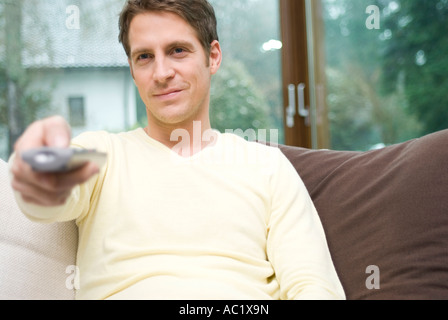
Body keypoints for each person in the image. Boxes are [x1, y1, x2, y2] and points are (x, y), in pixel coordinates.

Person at [9, 0, 345, 300]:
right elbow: (47, 193)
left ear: (212, 57)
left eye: (178, 51)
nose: (161, 73)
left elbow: (313, 286)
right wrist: (35, 165)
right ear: (132, 69)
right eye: (144, 57)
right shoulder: (103, 153)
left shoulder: (268, 166)